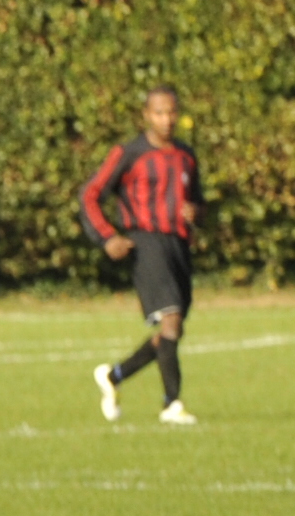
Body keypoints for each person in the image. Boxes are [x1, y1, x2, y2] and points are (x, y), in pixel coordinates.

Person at [83, 85, 203, 426]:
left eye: (172, 112)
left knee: (172, 330)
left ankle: (115, 376)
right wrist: (107, 237)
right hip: (145, 241)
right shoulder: (129, 152)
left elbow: (199, 202)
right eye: (159, 113)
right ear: (146, 116)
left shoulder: (186, 156)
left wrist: (197, 213)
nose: (167, 120)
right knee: (171, 318)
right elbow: (89, 195)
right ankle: (172, 404)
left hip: (178, 245)